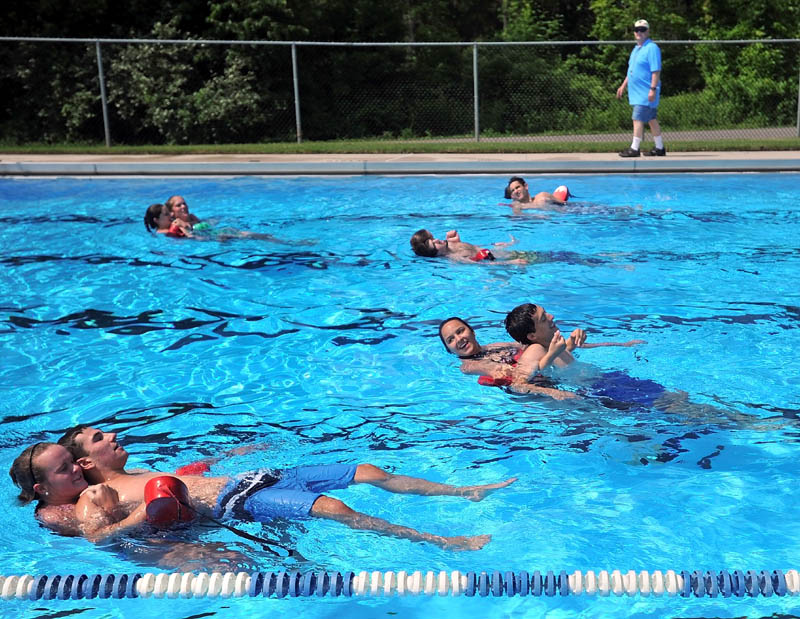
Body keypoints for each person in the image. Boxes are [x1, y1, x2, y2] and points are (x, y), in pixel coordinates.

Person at [11, 426, 517, 551]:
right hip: (238, 501)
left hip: (250, 479)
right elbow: (99, 533)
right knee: (332, 507)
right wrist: (157, 508)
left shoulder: (140, 471)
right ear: (82, 460)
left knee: (366, 470)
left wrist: (231, 456)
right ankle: (439, 542)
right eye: (100, 439)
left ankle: (463, 492)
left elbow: (191, 471)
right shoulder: (97, 497)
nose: (113, 438)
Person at [438, 316, 577, 399]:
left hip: (546, 377)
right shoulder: (469, 366)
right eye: (450, 340)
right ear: (449, 350)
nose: (459, 339)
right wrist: (554, 393)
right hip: (532, 393)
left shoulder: (498, 346)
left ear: (472, 331)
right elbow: (513, 379)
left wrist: (570, 343)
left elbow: (533, 343)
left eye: (460, 331)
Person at [616, 19, 666, 158]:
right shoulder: (636, 49)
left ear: (648, 31)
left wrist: (652, 89)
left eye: (642, 30)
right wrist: (623, 85)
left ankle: (635, 148)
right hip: (637, 92)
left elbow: (656, 70)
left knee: (637, 118)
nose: (639, 32)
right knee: (651, 119)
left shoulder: (652, 48)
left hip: (646, 91)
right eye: (637, 30)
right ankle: (660, 148)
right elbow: (631, 70)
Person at [410, 229, 525, 264]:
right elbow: (486, 265)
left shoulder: (450, 243)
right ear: (436, 254)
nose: (437, 240)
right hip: (497, 258)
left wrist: (496, 245)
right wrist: (512, 262)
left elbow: (473, 247)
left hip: (496, 251)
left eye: (433, 237)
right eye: (434, 243)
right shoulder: (456, 258)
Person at [504, 177, 570, 213]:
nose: (516, 191)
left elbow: (566, 204)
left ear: (526, 186)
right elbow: (518, 219)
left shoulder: (543, 196)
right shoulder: (517, 205)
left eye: (517, 187)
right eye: (513, 190)